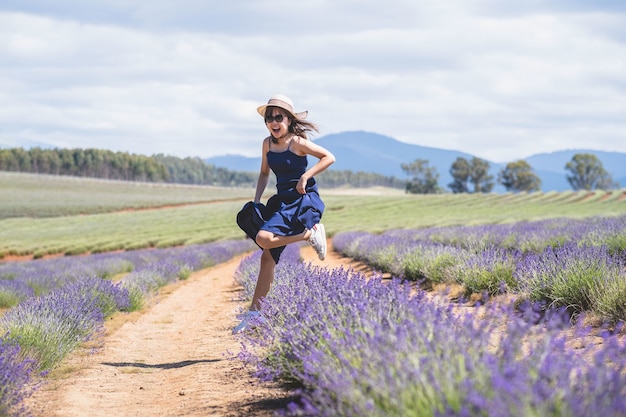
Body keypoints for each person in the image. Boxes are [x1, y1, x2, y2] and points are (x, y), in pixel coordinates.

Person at [233, 94, 335, 334]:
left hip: (301, 199)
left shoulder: (297, 142)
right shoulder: (267, 144)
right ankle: (254, 315)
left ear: (288, 119)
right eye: (269, 118)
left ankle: (307, 234)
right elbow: (264, 174)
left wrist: (305, 176)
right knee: (267, 258)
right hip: (281, 202)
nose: (273, 122)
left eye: (278, 117)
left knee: (263, 239)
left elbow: (329, 157)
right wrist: (257, 201)